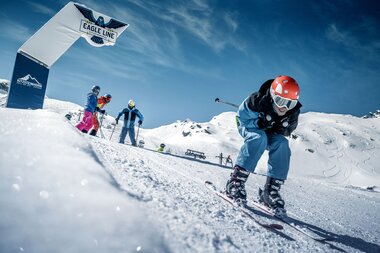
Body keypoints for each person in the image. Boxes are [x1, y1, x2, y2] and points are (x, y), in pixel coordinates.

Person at [225, 75, 302, 216]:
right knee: (258, 138)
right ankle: (235, 182)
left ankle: (270, 191)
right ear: (273, 95)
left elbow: (287, 131)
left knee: (282, 144)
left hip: (268, 131)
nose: (283, 107)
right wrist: (258, 123)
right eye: (280, 101)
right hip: (249, 126)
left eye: (289, 104)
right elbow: (241, 118)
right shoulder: (257, 101)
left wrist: (278, 126)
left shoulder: (292, 113)